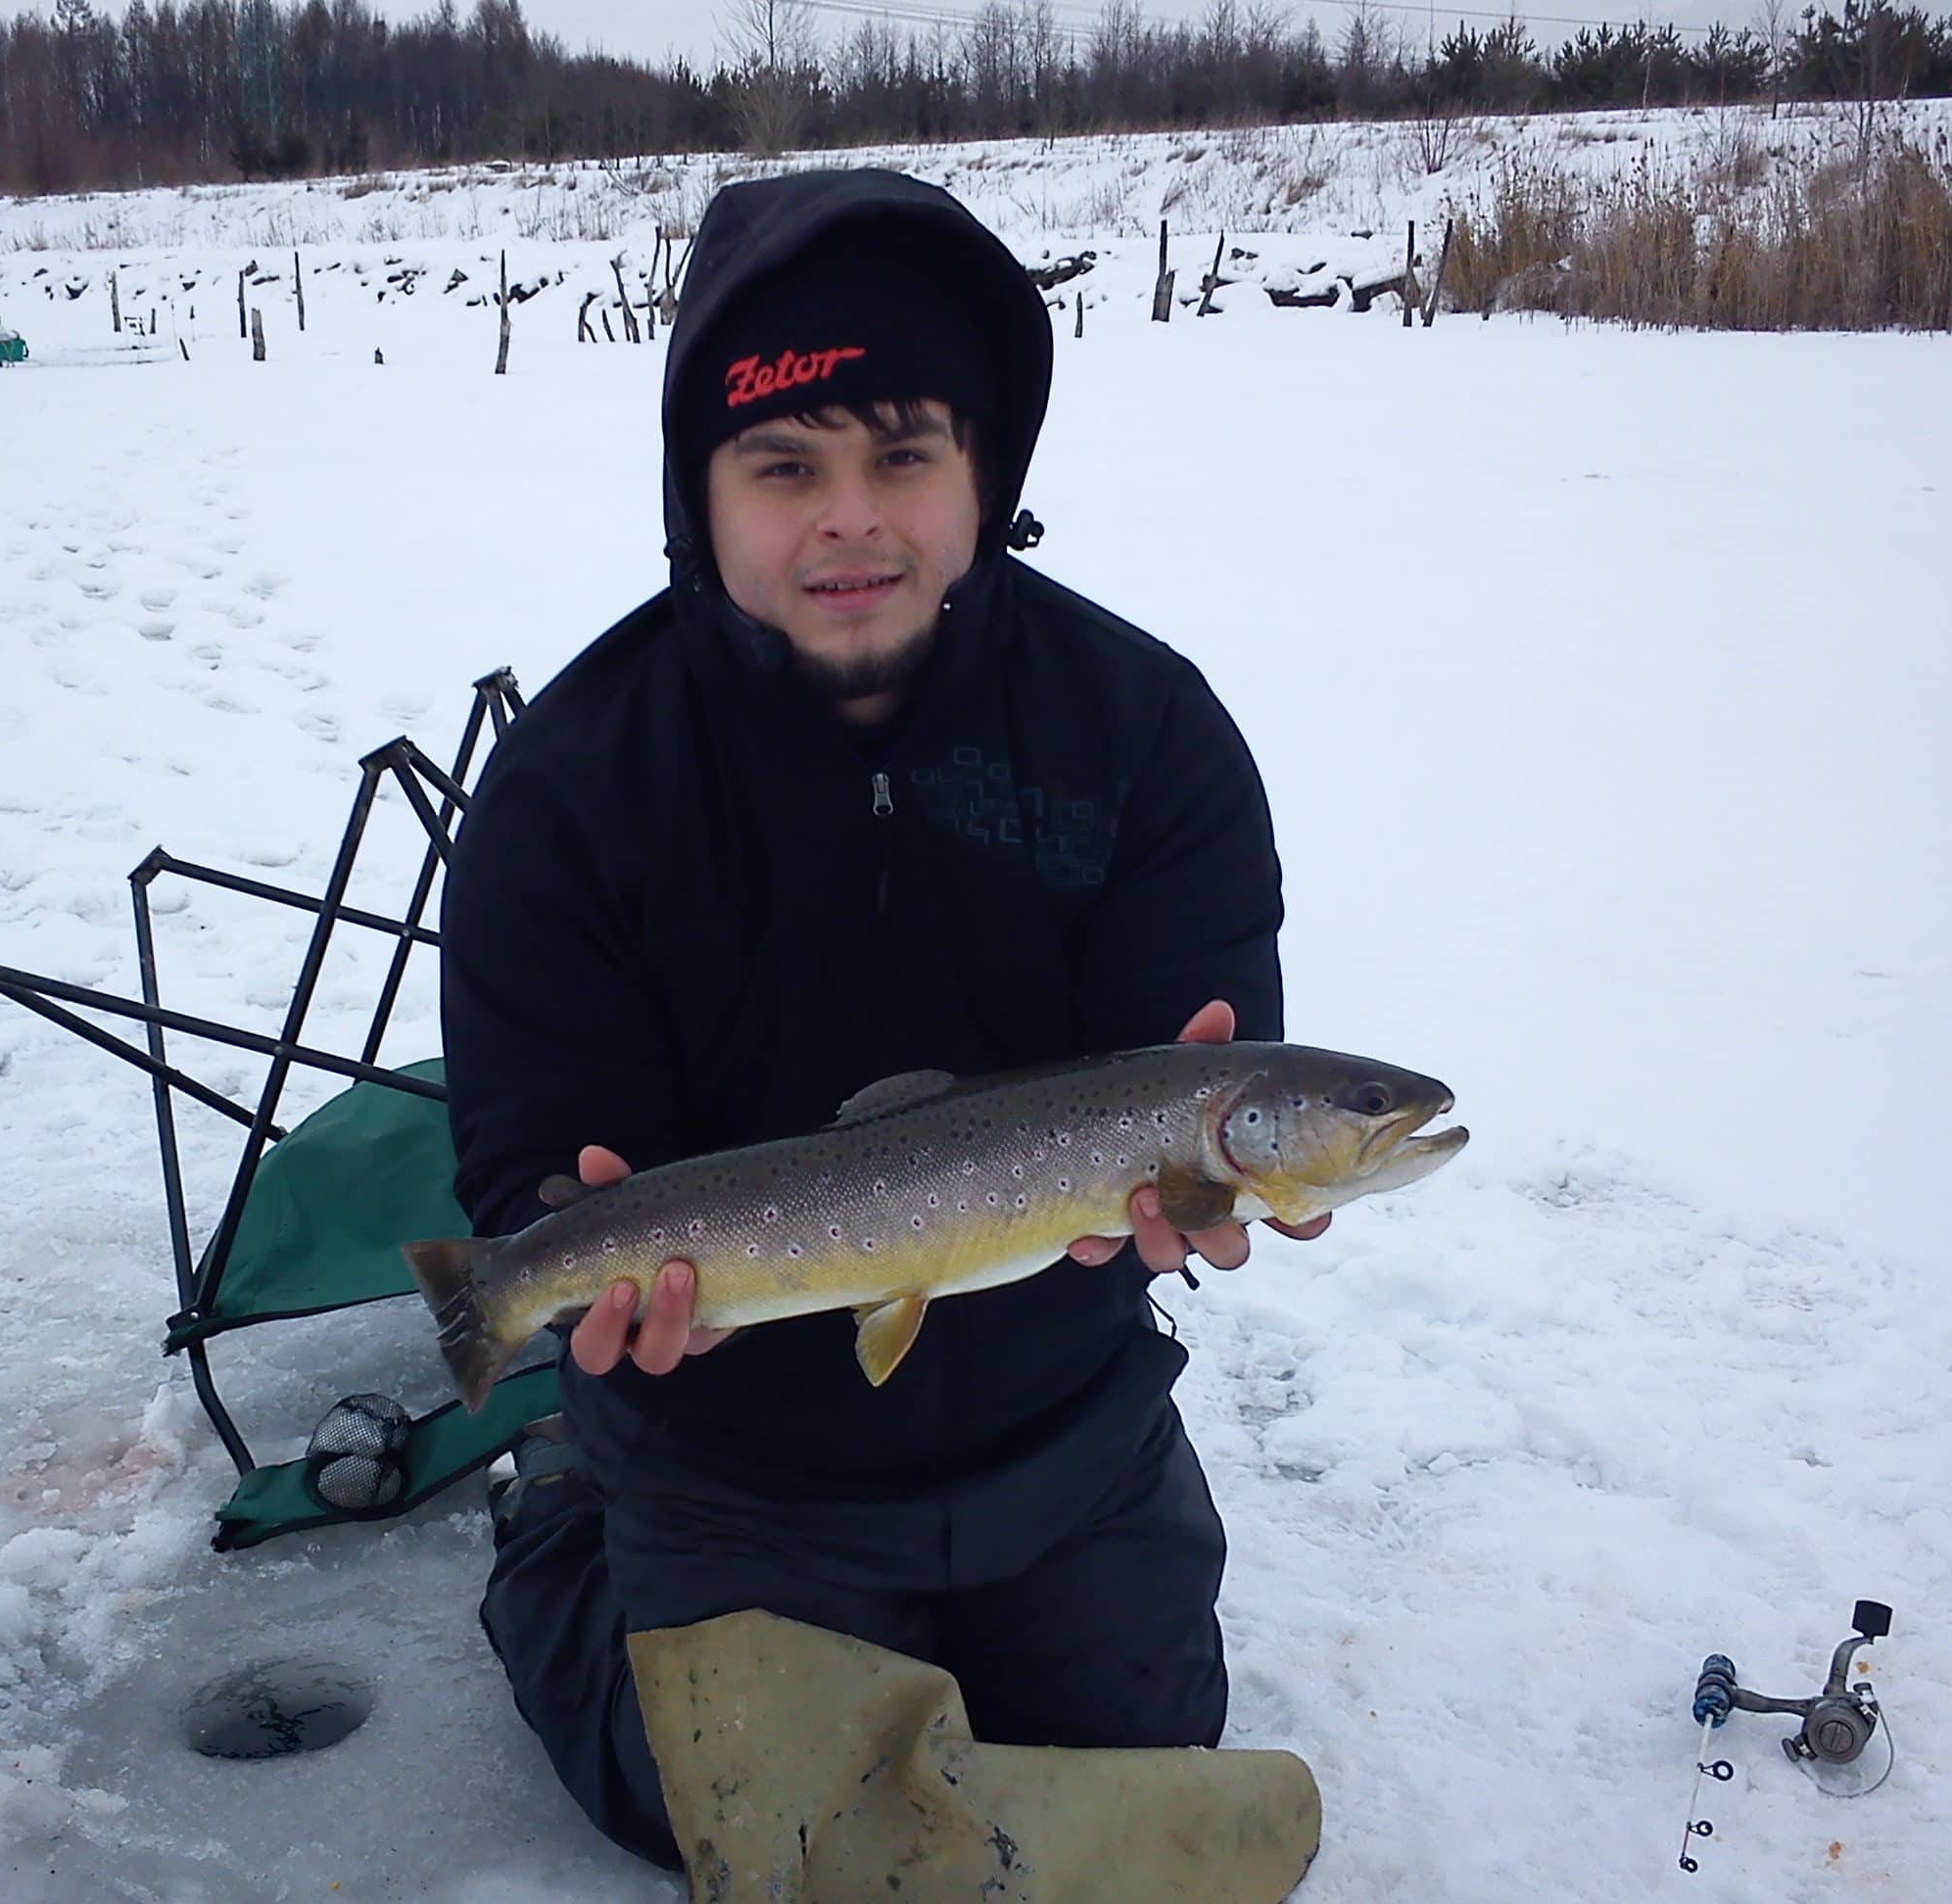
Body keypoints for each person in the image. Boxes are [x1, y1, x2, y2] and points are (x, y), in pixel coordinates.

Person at [436, 168, 1329, 1874]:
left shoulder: (1145, 730)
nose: (850, 518)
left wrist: (1198, 1200)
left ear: (985, 474)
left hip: (1065, 1425)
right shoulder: (571, 787)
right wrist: (572, 1248)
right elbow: (529, 1158)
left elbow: (1204, 1055)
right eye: (785, 466)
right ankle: (558, 1518)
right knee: (728, 1825)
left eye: (905, 455)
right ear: (699, 493)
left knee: (1126, 1772)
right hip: (727, 1449)